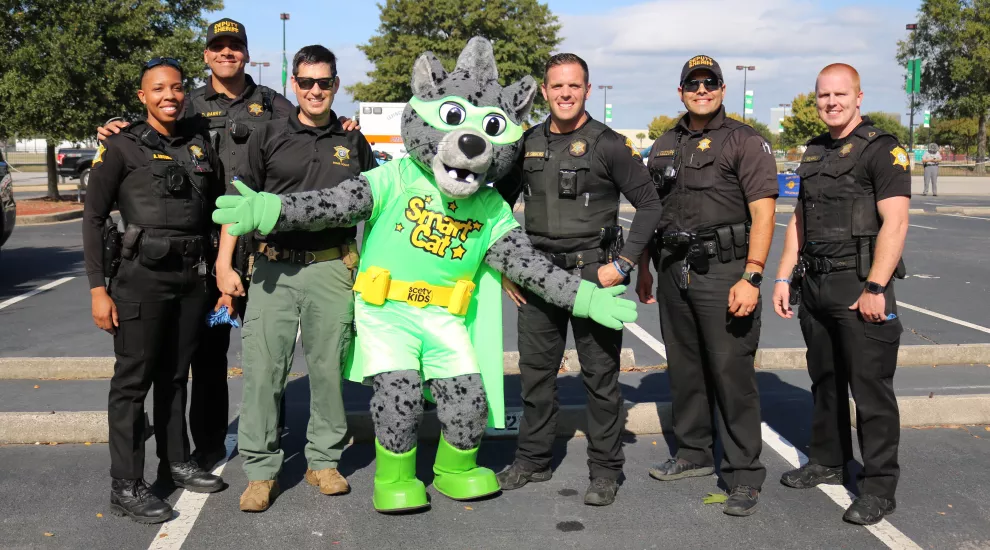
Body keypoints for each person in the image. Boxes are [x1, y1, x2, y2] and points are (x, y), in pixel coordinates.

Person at [97, 18, 359, 470]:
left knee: (256, 352)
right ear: (206, 55)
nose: (226, 54)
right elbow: (150, 133)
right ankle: (198, 450)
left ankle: (247, 439)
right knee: (199, 351)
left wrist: (345, 124)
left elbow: (311, 127)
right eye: (218, 47)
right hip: (205, 245)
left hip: (259, 246)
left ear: (244, 51)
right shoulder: (187, 102)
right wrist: (112, 129)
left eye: (234, 46)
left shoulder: (275, 105)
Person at [494, 53, 663, 507]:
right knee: (535, 376)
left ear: (587, 90)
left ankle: (606, 470)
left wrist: (625, 263)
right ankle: (531, 460)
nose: (565, 94)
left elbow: (649, 205)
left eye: (573, 86)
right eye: (556, 86)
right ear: (545, 92)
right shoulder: (527, 141)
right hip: (538, 274)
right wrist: (504, 264)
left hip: (595, 274)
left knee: (600, 377)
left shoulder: (609, 144)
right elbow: (493, 209)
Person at [215, 45, 376, 513]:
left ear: (336, 85)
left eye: (324, 82)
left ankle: (323, 461)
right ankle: (261, 472)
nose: (315, 91)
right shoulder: (266, 135)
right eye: (306, 82)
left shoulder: (353, 142)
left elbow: (378, 203)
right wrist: (225, 265)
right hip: (272, 269)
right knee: (264, 371)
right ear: (294, 84)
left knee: (328, 369)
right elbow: (238, 205)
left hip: (332, 268)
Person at [83, 57, 226, 524]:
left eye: (178, 88)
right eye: (159, 89)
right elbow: (93, 218)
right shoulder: (121, 147)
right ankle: (125, 484)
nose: (171, 95)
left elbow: (219, 209)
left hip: (191, 277)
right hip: (139, 278)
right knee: (132, 382)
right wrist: (97, 290)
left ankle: (175, 460)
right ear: (142, 96)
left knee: (175, 375)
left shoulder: (199, 145)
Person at [638, 54, 778, 517]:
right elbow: (649, 209)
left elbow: (763, 211)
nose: (702, 90)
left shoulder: (744, 140)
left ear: (721, 88)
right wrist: (643, 267)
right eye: (693, 84)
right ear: (680, 91)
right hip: (673, 267)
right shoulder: (662, 143)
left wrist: (753, 274)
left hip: (725, 269)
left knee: (731, 373)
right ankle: (694, 453)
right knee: (685, 365)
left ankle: (743, 475)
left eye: (710, 83)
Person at [772, 63, 909, 526]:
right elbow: (799, 221)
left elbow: (896, 222)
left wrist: (876, 286)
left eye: (839, 95)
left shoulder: (882, 150)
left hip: (860, 286)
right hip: (815, 285)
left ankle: (878, 487)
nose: (831, 102)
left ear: (858, 97)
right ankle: (829, 460)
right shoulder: (812, 154)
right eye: (823, 96)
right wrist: (783, 276)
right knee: (825, 381)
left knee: (870, 392)